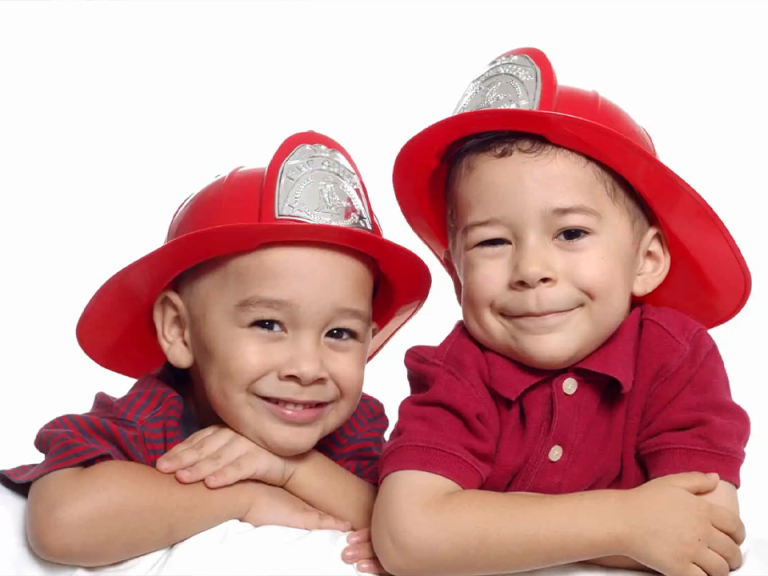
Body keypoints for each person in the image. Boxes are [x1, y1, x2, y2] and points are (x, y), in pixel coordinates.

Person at [371, 47, 751, 576]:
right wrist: (626, 523)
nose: (531, 268)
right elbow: (408, 537)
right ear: (456, 274)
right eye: (492, 242)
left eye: (571, 233)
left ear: (645, 261)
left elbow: (704, 534)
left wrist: (477, 531)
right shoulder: (458, 368)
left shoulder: (676, 356)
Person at [0, 130, 431, 575]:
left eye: (340, 333)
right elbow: (60, 525)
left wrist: (288, 470)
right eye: (268, 324)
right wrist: (242, 495)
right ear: (180, 330)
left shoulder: (353, 426)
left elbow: (413, 531)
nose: (307, 368)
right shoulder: (151, 418)